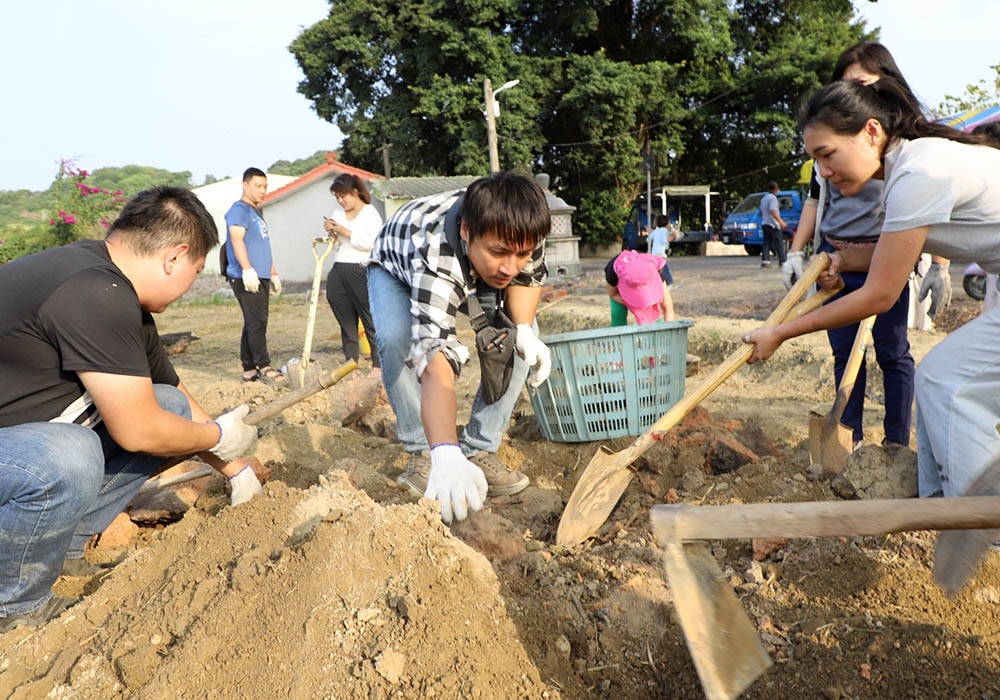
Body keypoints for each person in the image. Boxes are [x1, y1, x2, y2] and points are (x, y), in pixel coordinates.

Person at [0, 187, 262, 632]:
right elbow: (138, 431)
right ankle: (14, 604)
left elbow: (174, 395)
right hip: (19, 452)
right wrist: (218, 436)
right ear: (175, 257)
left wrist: (235, 468)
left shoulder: (113, 288)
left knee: (169, 407)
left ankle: (58, 553)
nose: (189, 287)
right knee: (70, 455)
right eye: (196, 271)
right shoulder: (92, 291)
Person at [744, 76, 1000, 502]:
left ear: (871, 131)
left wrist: (780, 333)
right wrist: (842, 262)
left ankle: (977, 519)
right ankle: (941, 506)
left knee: (947, 382)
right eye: (815, 161)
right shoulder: (906, 169)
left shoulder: (917, 173)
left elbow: (880, 295)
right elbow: (888, 253)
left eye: (827, 155)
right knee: (943, 382)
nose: (823, 173)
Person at [366, 173, 551, 524]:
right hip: (396, 267)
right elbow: (435, 360)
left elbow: (526, 279)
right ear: (466, 230)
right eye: (498, 252)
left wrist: (525, 330)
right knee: (397, 338)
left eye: (522, 254)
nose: (509, 267)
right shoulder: (436, 259)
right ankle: (424, 452)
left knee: (519, 336)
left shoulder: (525, 230)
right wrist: (445, 452)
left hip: (467, 262)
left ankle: (480, 448)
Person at [782, 42, 916, 450]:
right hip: (835, 256)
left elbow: (929, 216)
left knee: (892, 352)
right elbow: (813, 201)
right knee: (845, 353)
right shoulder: (829, 152)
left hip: (884, 255)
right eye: (844, 85)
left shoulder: (905, 155)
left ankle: (895, 444)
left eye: (862, 85)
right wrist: (797, 251)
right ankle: (848, 440)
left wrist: (940, 265)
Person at [224, 167, 283, 384]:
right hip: (246, 275)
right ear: (245, 185)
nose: (262, 190)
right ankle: (264, 366)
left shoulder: (256, 213)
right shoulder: (239, 210)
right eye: (258, 186)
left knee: (254, 321)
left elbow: (263, 245)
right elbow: (236, 239)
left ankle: (249, 370)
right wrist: (247, 269)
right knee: (257, 322)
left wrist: (272, 272)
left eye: (265, 186)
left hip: (261, 274)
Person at [323, 173, 382, 371]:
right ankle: (350, 363)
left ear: (355, 192)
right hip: (340, 267)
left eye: (343, 196)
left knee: (369, 318)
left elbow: (372, 243)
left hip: (361, 268)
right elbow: (336, 244)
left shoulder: (370, 213)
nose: (341, 201)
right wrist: (332, 232)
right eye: (337, 197)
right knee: (345, 317)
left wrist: (345, 231)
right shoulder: (338, 213)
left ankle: (378, 364)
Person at [605, 250, 675, 325]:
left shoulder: (658, 271)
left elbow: (668, 309)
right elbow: (613, 295)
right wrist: (632, 304)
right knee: (617, 314)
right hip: (620, 294)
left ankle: (656, 328)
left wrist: (669, 328)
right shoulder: (613, 272)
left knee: (652, 313)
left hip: (649, 280)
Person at [759, 181, 787, 268]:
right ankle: (782, 261)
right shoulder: (773, 198)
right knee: (779, 242)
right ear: (776, 189)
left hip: (765, 222)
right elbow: (773, 210)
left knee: (766, 242)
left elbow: (761, 212)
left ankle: (765, 260)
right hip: (773, 224)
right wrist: (781, 221)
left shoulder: (764, 198)